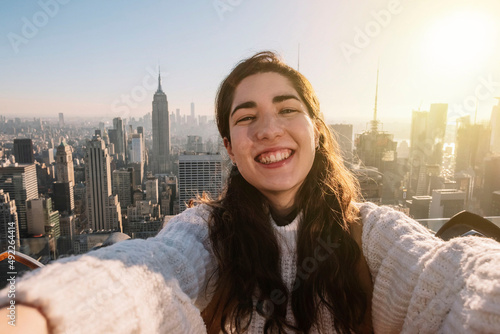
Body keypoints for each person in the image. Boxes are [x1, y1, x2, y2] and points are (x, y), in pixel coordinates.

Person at [1, 51, 500, 333]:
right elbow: (149, 272)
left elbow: (447, 275)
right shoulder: (206, 233)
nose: (268, 129)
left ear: (318, 130)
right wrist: (42, 316)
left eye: (287, 109)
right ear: (229, 146)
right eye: (246, 118)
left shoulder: (370, 232)